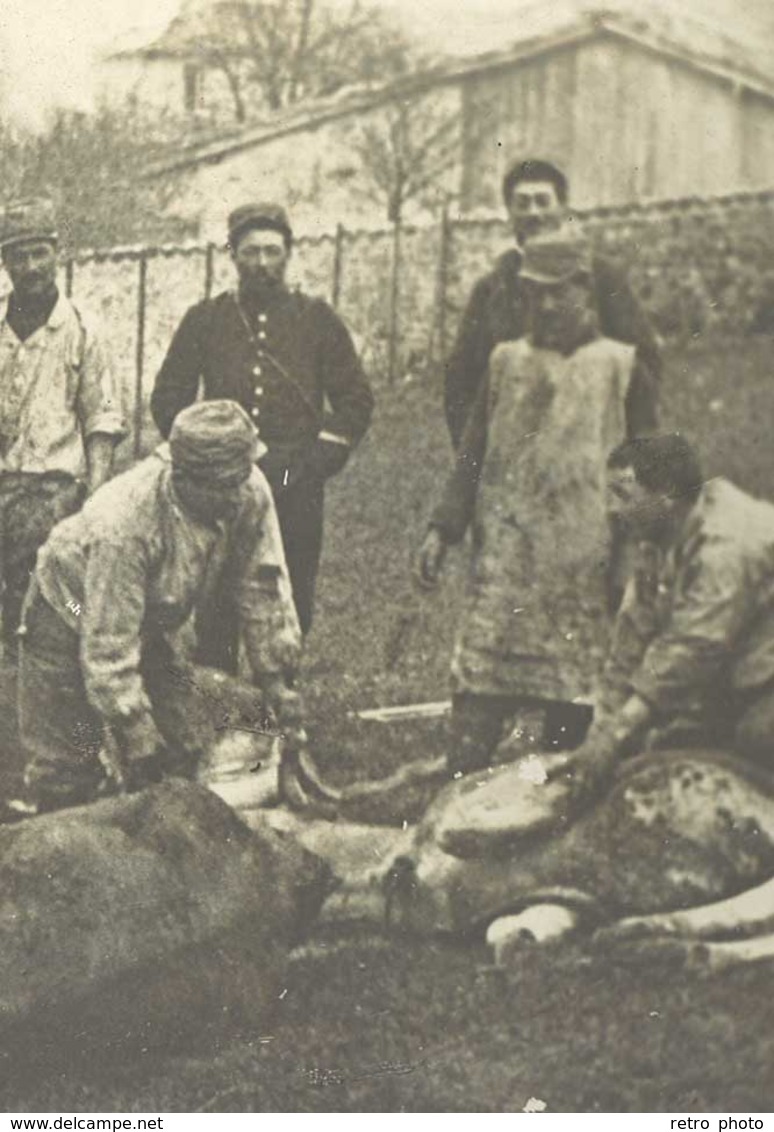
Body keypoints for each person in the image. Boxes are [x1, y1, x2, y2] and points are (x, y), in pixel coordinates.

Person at [417, 226, 658, 776]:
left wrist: (629, 558)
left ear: (585, 292)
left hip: (582, 565)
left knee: (570, 709)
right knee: (478, 695)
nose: (545, 305)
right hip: (504, 561)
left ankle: (551, 811)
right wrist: (442, 529)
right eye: (534, 293)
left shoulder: (622, 368)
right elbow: (471, 456)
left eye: (559, 292)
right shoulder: (504, 362)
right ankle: (458, 799)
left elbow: (650, 479)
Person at [16, 400, 304, 815]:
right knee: (70, 764)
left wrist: (278, 681)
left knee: (181, 743)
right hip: (68, 609)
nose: (236, 495)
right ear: (183, 476)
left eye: (240, 479)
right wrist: (136, 731)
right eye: (222, 486)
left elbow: (262, 585)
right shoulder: (126, 525)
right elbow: (108, 649)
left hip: (137, 618)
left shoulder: (247, 488)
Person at [150, 202, 374, 646]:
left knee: (289, 593)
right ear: (231, 255)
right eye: (250, 252)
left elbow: (355, 399)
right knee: (216, 598)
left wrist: (315, 462)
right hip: (222, 481)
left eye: (273, 252)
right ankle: (220, 703)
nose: (262, 264)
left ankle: (281, 699)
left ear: (289, 254)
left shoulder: (317, 319)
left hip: (295, 478)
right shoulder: (206, 320)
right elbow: (168, 396)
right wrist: (202, 453)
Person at [563, 433, 774, 803]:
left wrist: (615, 736)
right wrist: (601, 733)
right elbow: (631, 637)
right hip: (740, 679)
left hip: (761, 685)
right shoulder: (658, 536)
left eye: (623, 495)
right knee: (659, 746)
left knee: (756, 739)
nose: (612, 509)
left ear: (667, 495)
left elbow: (693, 647)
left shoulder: (730, 543)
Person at [444, 158, 661, 449]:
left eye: (542, 201)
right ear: (509, 212)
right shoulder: (493, 287)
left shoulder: (601, 277)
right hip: (515, 447)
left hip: (593, 443)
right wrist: (474, 454)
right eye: (522, 203)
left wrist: (629, 445)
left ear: (562, 208)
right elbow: (461, 380)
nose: (534, 213)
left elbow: (643, 361)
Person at [0, 197, 124, 660]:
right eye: (18, 255)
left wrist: (96, 490)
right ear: (4, 261)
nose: (30, 266)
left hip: (51, 491)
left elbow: (102, 417)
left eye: (39, 253)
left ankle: (35, 702)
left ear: (57, 252)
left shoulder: (85, 329)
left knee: (42, 606)